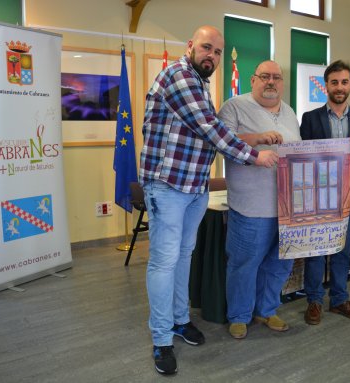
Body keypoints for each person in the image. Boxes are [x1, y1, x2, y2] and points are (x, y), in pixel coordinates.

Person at [139, 25, 278, 376]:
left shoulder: (200, 83)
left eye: (217, 52)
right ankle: (161, 339)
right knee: (164, 262)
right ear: (190, 46)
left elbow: (209, 131)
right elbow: (211, 130)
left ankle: (180, 321)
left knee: (184, 256)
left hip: (194, 187)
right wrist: (255, 155)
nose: (212, 56)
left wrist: (252, 140)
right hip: (167, 186)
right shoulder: (180, 77)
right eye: (206, 48)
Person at [218, 60, 301, 339]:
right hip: (251, 206)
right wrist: (256, 138)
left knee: (279, 264)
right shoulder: (234, 106)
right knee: (244, 263)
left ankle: (267, 310)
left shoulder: (289, 112)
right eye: (264, 76)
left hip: (288, 206)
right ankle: (239, 316)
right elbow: (222, 142)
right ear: (252, 80)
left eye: (276, 77)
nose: (271, 82)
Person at [300, 60, 350, 325]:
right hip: (319, 198)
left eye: (344, 82)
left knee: (343, 252)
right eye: (334, 82)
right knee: (316, 251)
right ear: (326, 86)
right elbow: (301, 158)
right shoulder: (310, 118)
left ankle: (339, 299)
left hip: (349, 198)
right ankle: (313, 300)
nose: (340, 87)